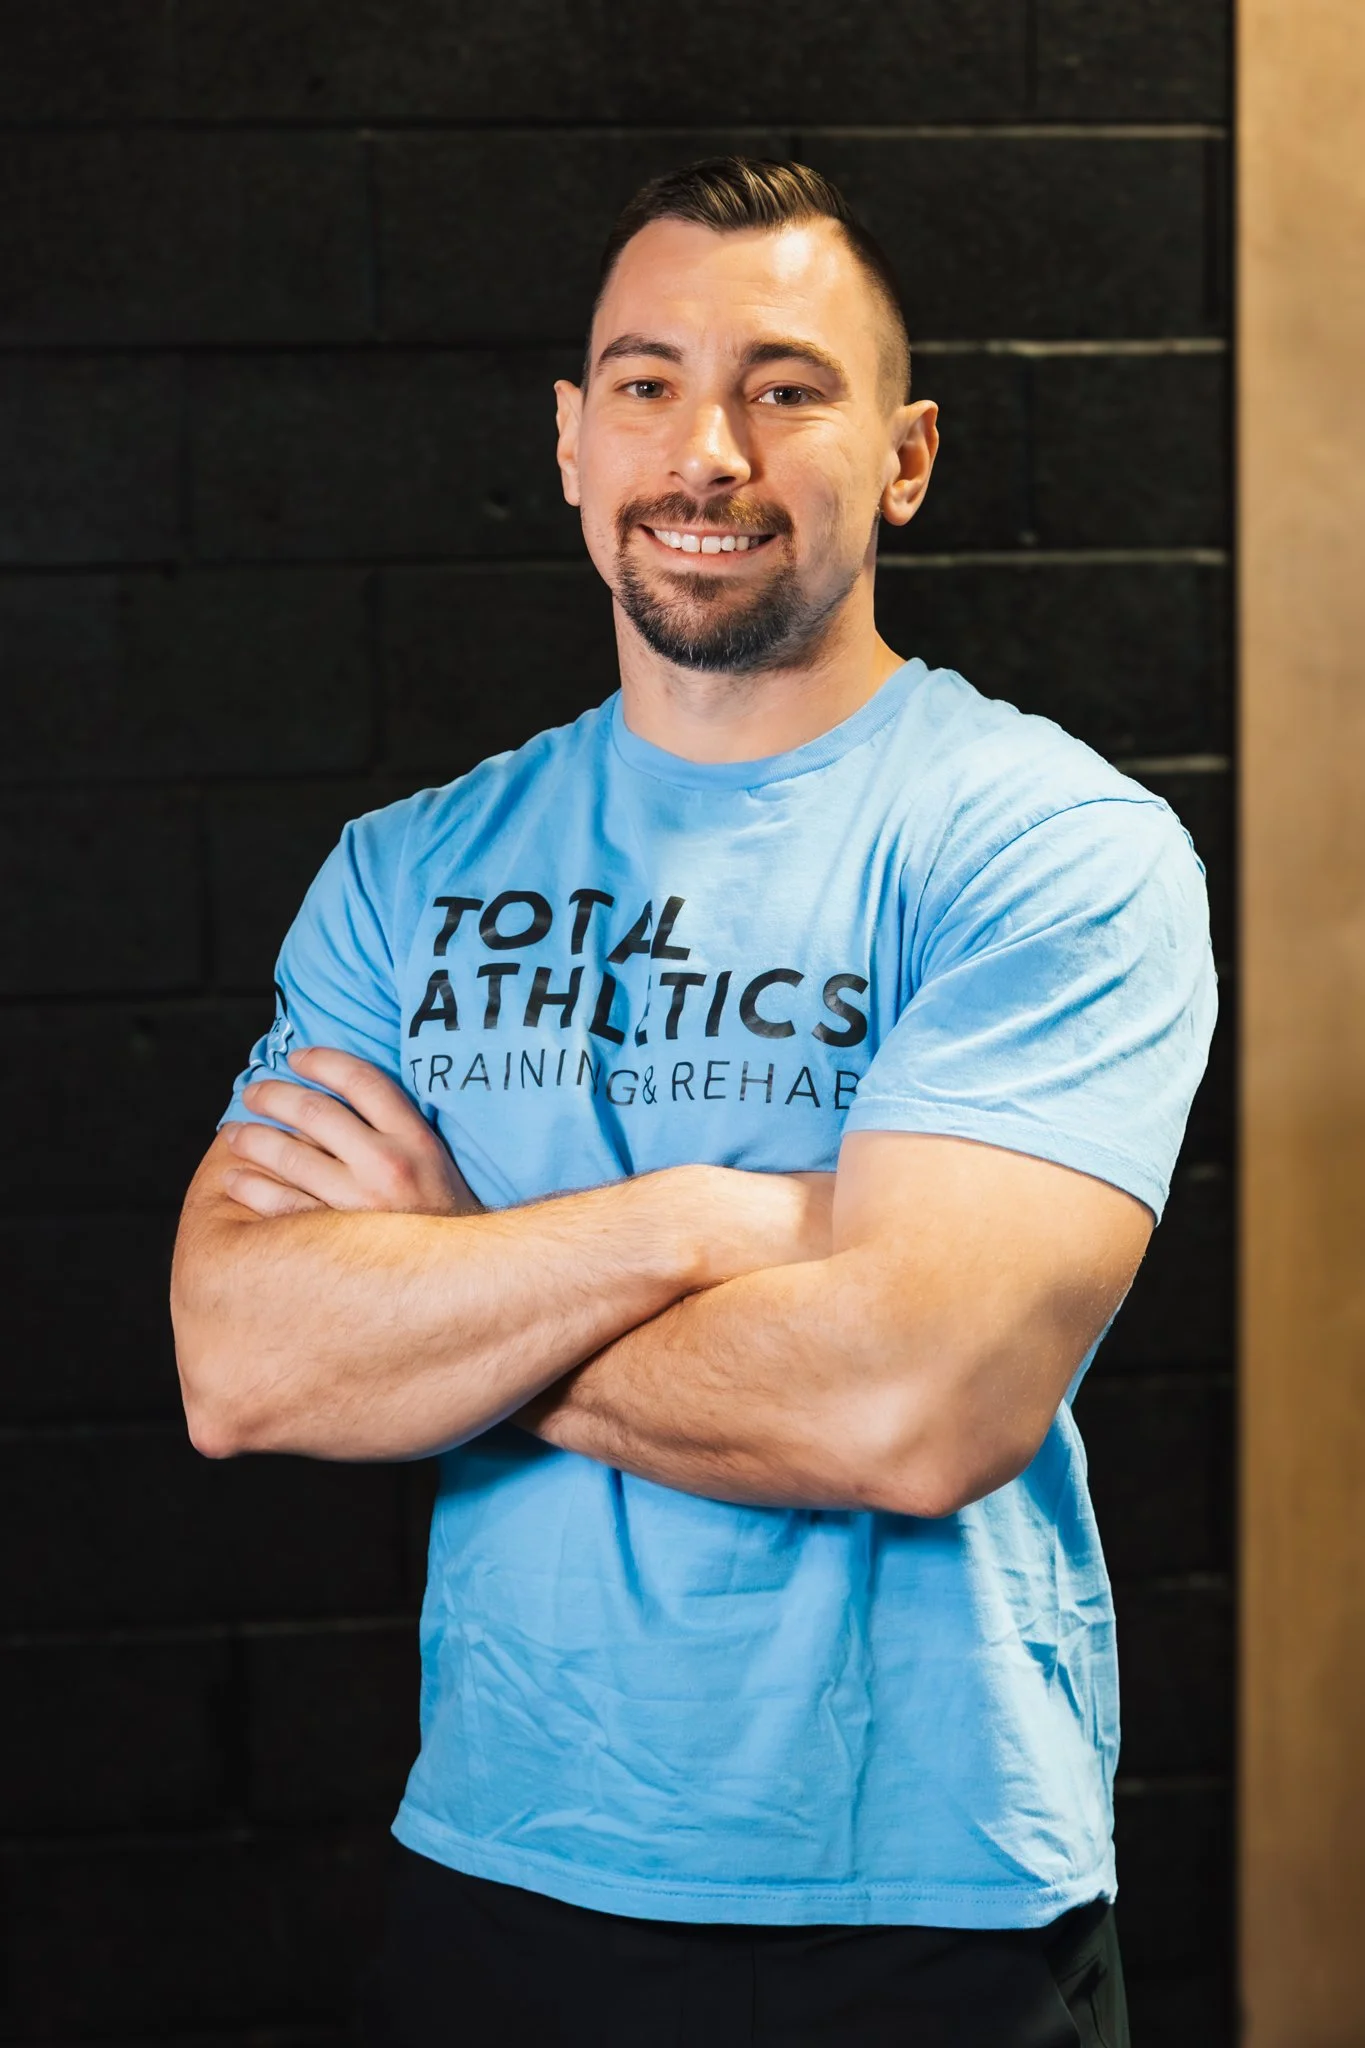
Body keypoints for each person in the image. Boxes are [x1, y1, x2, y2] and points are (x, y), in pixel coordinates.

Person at [170, 158, 1216, 2047]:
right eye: (646, 384)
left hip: (930, 1909)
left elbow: (917, 1404)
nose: (706, 449)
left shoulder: (1046, 846)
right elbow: (244, 1364)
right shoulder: (411, 871)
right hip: (501, 1866)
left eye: (786, 387)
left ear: (904, 456)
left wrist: (443, 1295)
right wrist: (710, 1224)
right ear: (571, 444)